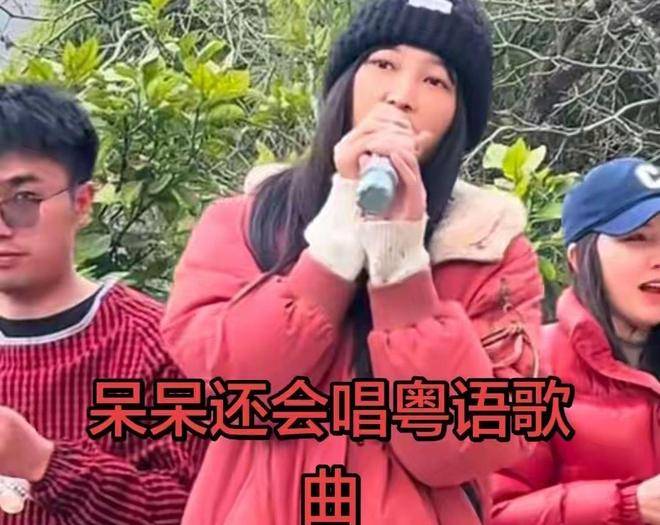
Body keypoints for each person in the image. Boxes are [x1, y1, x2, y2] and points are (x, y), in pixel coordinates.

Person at [162, 0, 544, 523]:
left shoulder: (489, 250)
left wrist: (400, 263)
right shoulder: (246, 222)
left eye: (435, 82)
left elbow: (461, 448)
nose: (401, 96)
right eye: (384, 64)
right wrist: (337, 236)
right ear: (344, 82)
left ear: (459, 118)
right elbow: (236, 389)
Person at [0, 84, 207, 524]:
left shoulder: (155, 346)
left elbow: (190, 508)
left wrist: (43, 462)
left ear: (82, 202)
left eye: (23, 199)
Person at [491, 157, 660, 524]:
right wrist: (629, 505)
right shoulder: (525, 368)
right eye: (637, 238)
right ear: (579, 258)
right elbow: (490, 512)